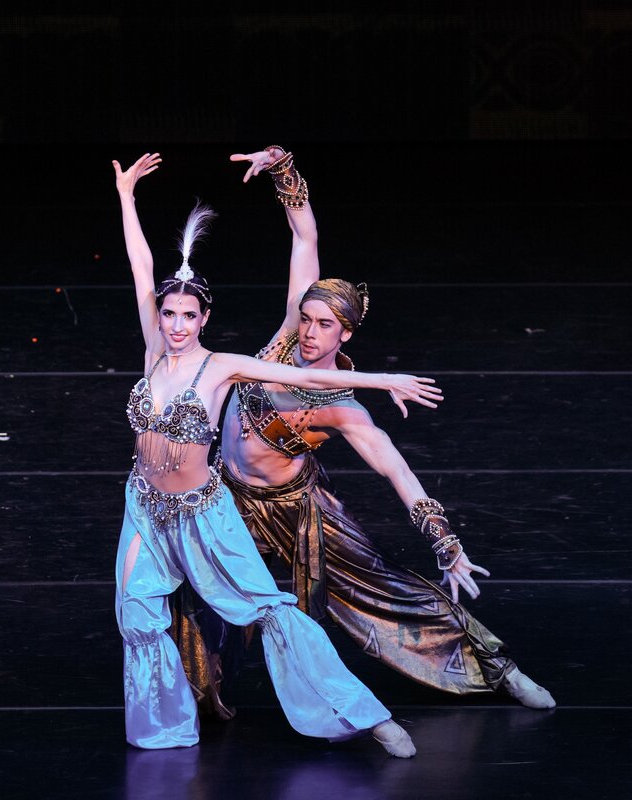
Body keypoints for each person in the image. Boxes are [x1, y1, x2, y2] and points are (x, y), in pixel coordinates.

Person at [172, 146, 556, 719]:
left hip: (297, 509)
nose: (309, 331)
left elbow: (394, 467)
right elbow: (304, 236)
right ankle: (198, 696)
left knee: (378, 588)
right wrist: (282, 168)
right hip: (228, 496)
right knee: (195, 587)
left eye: (325, 325)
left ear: (345, 334)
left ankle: (498, 668)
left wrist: (446, 544)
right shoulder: (283, 340)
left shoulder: (343, 408)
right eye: (307, 319)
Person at [111, 152, 443, 756]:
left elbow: (313, 379)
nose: (176, 325)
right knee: (136, 615)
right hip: (144, 508)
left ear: (204, 318)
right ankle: (166, 728)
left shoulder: (223, 367)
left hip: (202, 512)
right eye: (169, 313)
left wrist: (382, 380)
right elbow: (141, 267)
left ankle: (367, 717)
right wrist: (127, 197)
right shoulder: (153, 353)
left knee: (267, 608)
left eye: (188, 316)